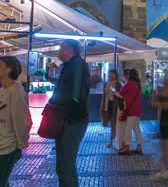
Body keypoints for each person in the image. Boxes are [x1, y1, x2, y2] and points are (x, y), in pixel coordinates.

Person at [49, 39, 90, 187]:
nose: (59, 50)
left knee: (66, 163)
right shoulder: (70, 66)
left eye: (62, 47)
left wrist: (62, 110)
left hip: (72, 120)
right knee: (62, 164)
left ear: (70, 49)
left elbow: (75, 96)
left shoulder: (77, 65)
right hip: (65, 119)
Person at [0, 56, 32, 186]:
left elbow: (20, 120)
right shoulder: (1, 90)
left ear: (9, 69)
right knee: (0, 182)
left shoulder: (16, 91)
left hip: (7, 147)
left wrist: (20, 144)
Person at [151, 69, 168, 181]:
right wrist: (155, 96)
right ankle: (166, 168)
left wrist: (160, 103)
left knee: (167, 144)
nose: (164, 77)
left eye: (166, 75)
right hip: (162, 118)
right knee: (163, 144)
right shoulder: (161, 89)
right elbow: (153, 103)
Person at [116, 69, 143, 155]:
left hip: (131, 110)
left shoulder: (130, 84)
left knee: (128, 129)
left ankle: (127, 147)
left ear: (130, 75)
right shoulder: (138, 84)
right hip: (137, 109)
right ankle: (139, 146)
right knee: (136, 128)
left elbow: (120, 93)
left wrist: (113, 91)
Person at [100, 70, 122, 149]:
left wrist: (114, 91)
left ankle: (111, 142)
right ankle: (113, 141)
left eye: (112, 74)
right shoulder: (106, 83)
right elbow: (104, 95)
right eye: (110, 74)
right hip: (106, 105)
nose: (111, 76)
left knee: (114, 124)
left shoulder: (118, 84)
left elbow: (121, 95)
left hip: (114, 106)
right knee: (108, 123)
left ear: (115, 75)